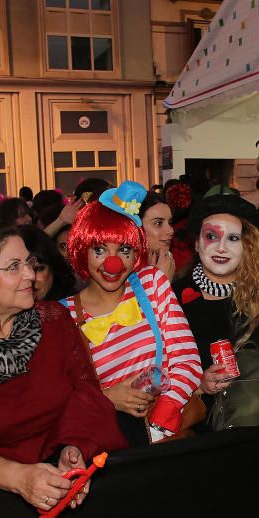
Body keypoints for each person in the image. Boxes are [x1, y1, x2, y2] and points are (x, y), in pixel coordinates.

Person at [0, 222, 125, 511]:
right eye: (13, 267)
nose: (30, 275)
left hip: (71, 478)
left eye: (29, 262)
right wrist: (20, 478)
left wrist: (73, 449)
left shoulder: (53, 320)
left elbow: (87, 392)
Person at [62, 182, 202, 445]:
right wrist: (106, 397)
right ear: (83, 250)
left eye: (124, 250)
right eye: (100, 250)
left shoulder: (151, 283)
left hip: (167, 438)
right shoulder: (63, 314)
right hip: (108, 447)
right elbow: (56, 398)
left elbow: (187, 360)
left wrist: (162, 420)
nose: (113, 263)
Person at [173, 194, 259, 431]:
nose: (221, 247)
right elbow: (157, 374)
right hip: (202, 439)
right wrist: (198, 385)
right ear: (196, 243)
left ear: (247, 246)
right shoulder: (171, 299)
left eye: (233, 238)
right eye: (211, 236)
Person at [18, 225, 76, 302]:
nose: (31, 277)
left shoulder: (72, 308)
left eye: (38, 269)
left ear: (53, 269)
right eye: (18, 269)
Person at [140, 191, 177, 280]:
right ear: (136, 227)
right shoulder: (122, 274)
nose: (171, 231)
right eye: (158, 223)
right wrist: (161, 282)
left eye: (170, 222)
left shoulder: (166, 265)